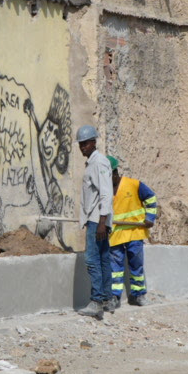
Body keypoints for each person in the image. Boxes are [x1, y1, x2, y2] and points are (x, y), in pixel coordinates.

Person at [107, 156, 159, 309]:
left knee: (136, 265)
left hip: (134, 231)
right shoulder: (104, 189)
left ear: (115, 173)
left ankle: (138, 295)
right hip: (115, 234)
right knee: (115, 268)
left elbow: (150, 197)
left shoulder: (133, 184)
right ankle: (114, 297)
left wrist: (150, 217)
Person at [74, 124, 113, 319]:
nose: (83, 147)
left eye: (86, 143)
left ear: (94, 142)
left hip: (96, 219)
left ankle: (97, 300)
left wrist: (101, 222)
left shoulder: (99, 163)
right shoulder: (92, 163)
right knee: (103, 258)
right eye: (81, 144)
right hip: (97, 219)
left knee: (92, 259)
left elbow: (106, 193)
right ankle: (106, 298)